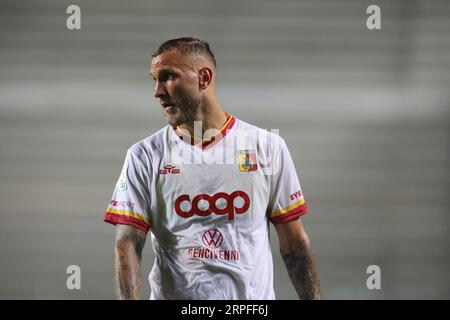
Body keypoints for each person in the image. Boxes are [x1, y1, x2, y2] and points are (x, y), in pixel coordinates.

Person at [103, 37, 320, 300]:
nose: (157, 91)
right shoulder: (145, 156)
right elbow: (126, 244)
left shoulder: (266, 147)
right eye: (155, 80)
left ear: (204, 78)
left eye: (168, 77)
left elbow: (294, 243)